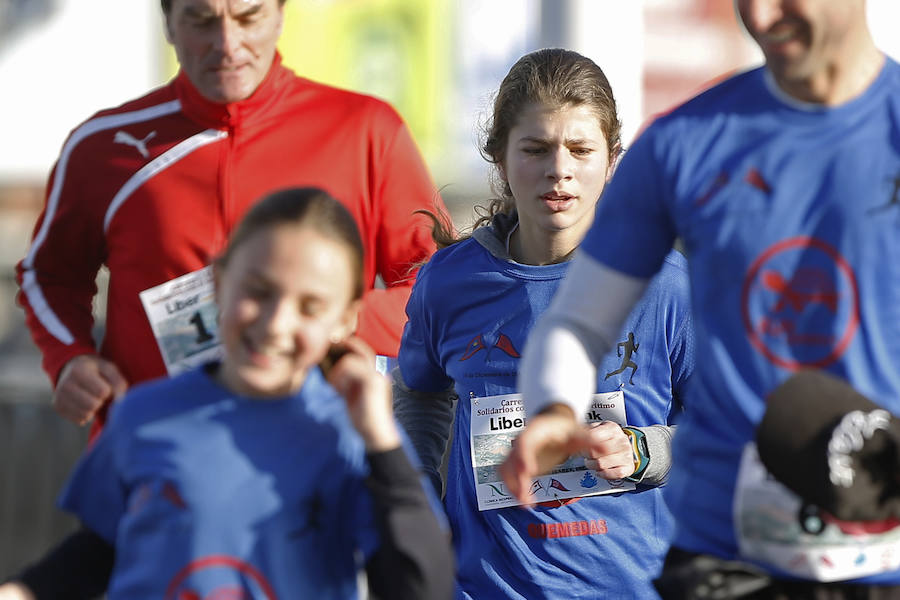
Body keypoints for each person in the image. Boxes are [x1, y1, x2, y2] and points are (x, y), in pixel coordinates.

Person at [503, 0, 900, 596]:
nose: (762, 18)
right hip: (725, 565)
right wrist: (557, 407)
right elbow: (578, 323)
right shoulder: (680, 144)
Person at [15, 0, 448, 438]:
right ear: (167, 22)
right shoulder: (103, 147)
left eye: (249, 17)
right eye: (202, 21)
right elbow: (49, 274)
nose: (227, 44)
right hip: (152, 458)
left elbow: (444, 294)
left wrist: (326, 315)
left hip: (316, 456)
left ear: (280, 15)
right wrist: (71, 358)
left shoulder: (368, 130)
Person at [0, 187, 454, 600]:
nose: (276, 324)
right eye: (258, 292)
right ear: (218, 283)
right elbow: (100, 551)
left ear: (345, 320)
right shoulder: (144, 415)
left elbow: (421, 587)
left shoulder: (352, 437)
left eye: (310, 307)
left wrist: (381, 442)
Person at [394, 48, 694, 599]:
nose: (560, 170)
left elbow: (728, 431)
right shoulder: (449, 283)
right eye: (535, 149)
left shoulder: (666, 283)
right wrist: (421, 505)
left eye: (581, 149)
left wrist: (645, 451)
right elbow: (419, 392)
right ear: (500, 158)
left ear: (611, 160)